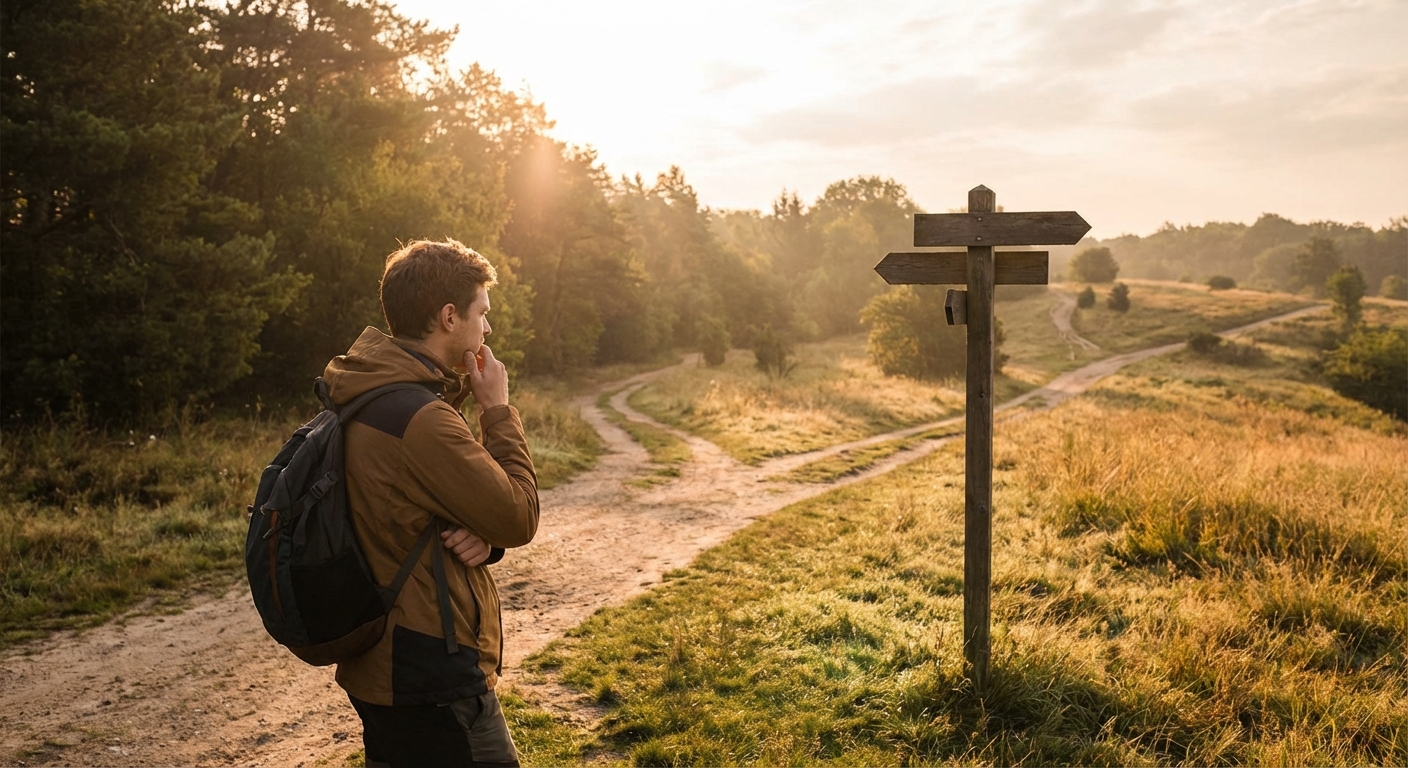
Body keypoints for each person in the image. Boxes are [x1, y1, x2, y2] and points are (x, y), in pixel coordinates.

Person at [320, 238, 538, 767]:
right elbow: (519, 514)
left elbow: (404, 514)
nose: (487, 328)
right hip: (430, 669)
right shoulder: (421, 419)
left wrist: (484, 539)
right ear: (448, 317)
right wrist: (497, 411)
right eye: (481, 313)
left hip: (380, 661)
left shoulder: (362, 393)